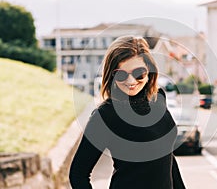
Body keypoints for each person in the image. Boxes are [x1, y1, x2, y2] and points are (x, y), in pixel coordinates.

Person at [69, 35, 186, 189]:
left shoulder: (159, 98)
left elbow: (167, 158)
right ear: (111, 74)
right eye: (121, 74)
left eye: (139, 73)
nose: (131, 81)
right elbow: (78, 174)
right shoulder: (105, 115)